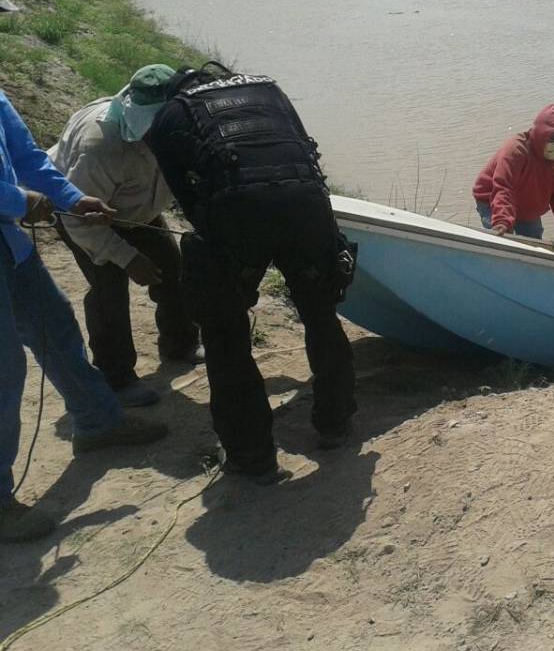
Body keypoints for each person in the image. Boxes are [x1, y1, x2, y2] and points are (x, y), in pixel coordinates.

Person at [143, 64, 356, 484]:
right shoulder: (270, 91)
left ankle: (252, 456)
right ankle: (336, 424)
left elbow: (185, 198)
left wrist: (229, 263)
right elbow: (305, 154)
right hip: (306, 205)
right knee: (319, 313)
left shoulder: (172, 114)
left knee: (225, 336)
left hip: (236, 213)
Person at [1, 90, 168, 543]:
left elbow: (29, 157)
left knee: (55, 326)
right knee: (4, 370)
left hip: (9, 245)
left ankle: (97, 421)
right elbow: (19, 188)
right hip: (7, 223)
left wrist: (72, 198)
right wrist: (19, 202)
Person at [49, 65, 202, 408]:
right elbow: (76, 217)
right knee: (109, 289)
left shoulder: (180, 128)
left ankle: (180, 343)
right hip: (82, 214)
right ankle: (116, 377)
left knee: (172, 270)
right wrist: (128, 257)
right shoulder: (100, 146)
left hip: (138, 212)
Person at [473, 104, 554, 249]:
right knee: (505, 246)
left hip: (528, 207)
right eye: (553, 142)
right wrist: (502, 222)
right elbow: (503, 187)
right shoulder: (516, 150)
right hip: (492, 201)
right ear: (541, 136)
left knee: (534, 247)